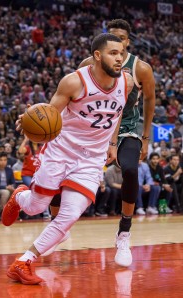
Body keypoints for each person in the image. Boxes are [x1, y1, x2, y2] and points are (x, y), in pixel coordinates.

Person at [1, 33, 134, 285]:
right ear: (97, 55)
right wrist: (30, 119)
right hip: (60, 151)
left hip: (91, 160)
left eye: (122, 53)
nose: (120, 59)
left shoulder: (126, 83)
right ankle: (20, 196)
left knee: (70, 214)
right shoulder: (73, 82)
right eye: (113, 53)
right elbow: (49, 114)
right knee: (36, 207)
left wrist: (113, 143)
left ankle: (24, 261)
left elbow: (116, 113)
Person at [50, 19, 155, 265]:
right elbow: (74, 98)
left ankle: (124, 232)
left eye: (122, 39)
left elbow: (149, 101)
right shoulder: (88, 65)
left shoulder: (141, 69)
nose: (117, 43)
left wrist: (146, 138)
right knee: (59, 173)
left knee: (130, 170)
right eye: (112, 38)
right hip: (92, 130)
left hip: (128, 128)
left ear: (128, 42)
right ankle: (58, 227)